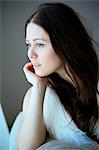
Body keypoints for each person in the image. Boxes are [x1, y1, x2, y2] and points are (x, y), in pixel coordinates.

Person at [17, 2, 99, 150]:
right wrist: (39, 86)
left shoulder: (94, 82)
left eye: (40, 44)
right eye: (29, 44)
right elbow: (26, 148)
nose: (30, 54)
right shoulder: (36, 96)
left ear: (65, 42)